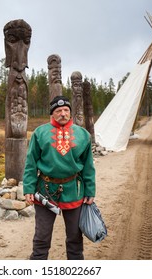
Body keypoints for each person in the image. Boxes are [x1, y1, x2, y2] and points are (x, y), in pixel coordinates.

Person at [23, 95, 96, 260]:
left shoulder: (83, 135)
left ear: (69, 112)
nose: (63, 113)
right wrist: (28, 187)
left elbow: (88, 166)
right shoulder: (40, 133)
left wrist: (90, 190)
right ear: (52, 114)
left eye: (66, 110)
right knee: (41, 237)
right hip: (45, 190)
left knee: (75, 237)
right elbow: (31, 163)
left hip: (74, 190)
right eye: (58, 110)